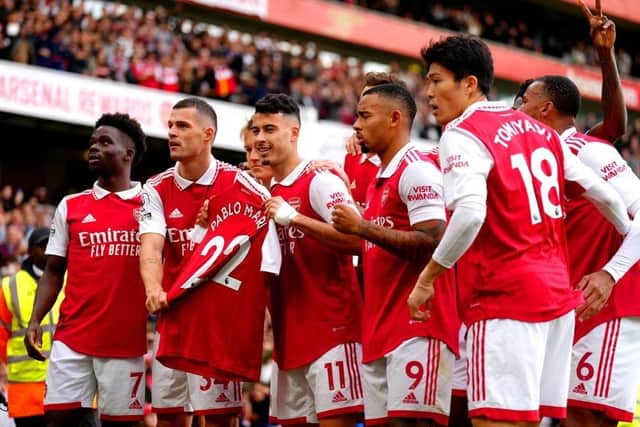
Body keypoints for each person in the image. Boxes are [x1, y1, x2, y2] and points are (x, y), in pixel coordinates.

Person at [407, 35, 631, 427]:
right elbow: (606, 197)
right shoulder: (540, 132)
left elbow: (471, 214)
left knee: (497, 420)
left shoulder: (463, 133)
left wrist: (429, 278)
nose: (428, 93)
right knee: (524, 419)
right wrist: (624, 233)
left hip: (505, 299)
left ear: (469, 84)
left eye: (436, 81)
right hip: (557, 302)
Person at [514, 4, 640, 426]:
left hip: (609, 304)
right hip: (567, 308)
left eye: (523, 103)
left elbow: (613, 127)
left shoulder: (584, 151)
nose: (516, 114)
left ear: (546, 109)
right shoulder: (541, 160)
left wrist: (610, 273)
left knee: (584, 420)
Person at [332, 83, 459, 426]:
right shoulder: (379, 180)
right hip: (379, 331)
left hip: (417, 328)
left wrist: (361, 228)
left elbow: (435, 238)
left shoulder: (416, 170)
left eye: (364, 116)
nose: (356, 125)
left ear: (394, 119)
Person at [24, 113, 149, 427]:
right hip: (72, 338)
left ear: (128, 154)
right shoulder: (71, 205)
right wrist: (36, 319)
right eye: (92, 142)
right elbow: (53, 270)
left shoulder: (151, 204)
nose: (94, 148)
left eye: (105, 142)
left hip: (125, 341)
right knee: (58, 420)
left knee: (120, 424)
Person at [139, 97, 257, 427]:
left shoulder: (237, 183)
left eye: (182, 126)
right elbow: (150, 244)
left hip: (218, 324)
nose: (172, 133)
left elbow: (274, 204)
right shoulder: (156, 187)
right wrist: (152, 286)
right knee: (169, 417)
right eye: (170, 126)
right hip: (173, 318)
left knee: (219, 420)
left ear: (208, 135)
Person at [255, 93, 364, 425]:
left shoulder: (320, 179)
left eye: (269, 129)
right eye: (256, 130)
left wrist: (295, 219)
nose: (260, 139)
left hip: (332, 335)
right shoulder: (265, 195)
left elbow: (360, 238)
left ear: (293, 132)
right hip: (289, 344)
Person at [0, 228, 59, 426]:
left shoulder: (70, 280)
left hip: (65, 384)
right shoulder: (10, 286)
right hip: (26, 390)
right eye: (42, 245)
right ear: (30, 250)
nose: (48, 250)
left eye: (51, 244)